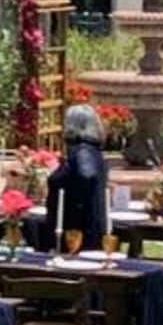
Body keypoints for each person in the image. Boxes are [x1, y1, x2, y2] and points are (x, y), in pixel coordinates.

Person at [48, 101, 113, 246]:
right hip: (88, 224)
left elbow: (86, 175)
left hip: (77, 228)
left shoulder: (82, 151)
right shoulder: (93, 150)